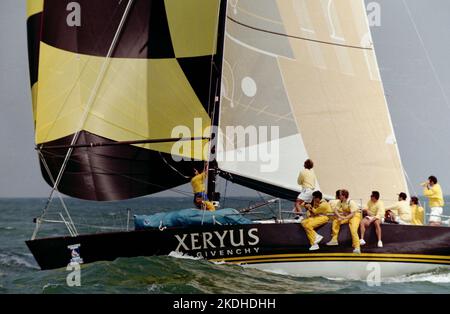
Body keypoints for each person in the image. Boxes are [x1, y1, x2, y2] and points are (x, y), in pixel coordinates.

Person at [326, 189, 362, 254]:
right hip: (347, 216)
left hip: (355, 216)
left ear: (344, 195)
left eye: (340, 195)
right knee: (336, 221)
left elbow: (352, 214)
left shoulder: (351, 202)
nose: (339, 196)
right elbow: (335, 210)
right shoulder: (340, 202)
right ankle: (334, 240)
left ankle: (357, 248)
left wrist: (343, 218)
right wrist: (340, 217)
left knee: (353, 230)